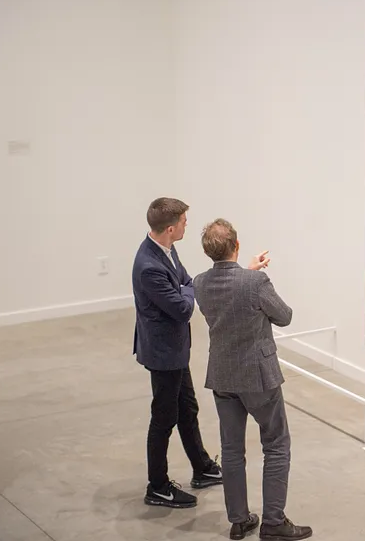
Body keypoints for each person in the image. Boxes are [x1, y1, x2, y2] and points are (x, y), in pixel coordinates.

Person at [193, 218, 312, 541]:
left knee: (231, 450)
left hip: (222, 377)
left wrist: (247, 272)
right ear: (237, 245)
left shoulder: (199, 283)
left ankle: (239, 520)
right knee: (275, 445)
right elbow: (284, 316)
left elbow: (227, 299)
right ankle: (273, 523)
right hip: (258, 378)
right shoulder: (255, 283)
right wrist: (253, 276)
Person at [131, 197, 223, 509]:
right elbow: (183, 308)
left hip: (175, 350)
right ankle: (157, 486)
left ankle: (202, 467)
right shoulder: (149, 267)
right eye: (184, 222)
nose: (187, 225)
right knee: (164, 417)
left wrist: (186, 289)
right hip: (163, 352)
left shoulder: (166, 250)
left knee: (187, 408)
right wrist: (187, 291)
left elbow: (185, 282)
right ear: (171, 228)